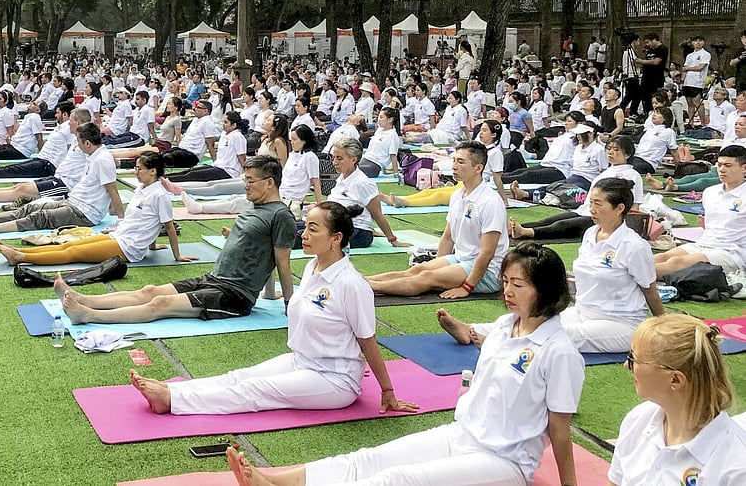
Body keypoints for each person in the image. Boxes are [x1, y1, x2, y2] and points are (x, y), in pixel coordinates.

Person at [229, 242, 584, 486]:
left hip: (505, 461)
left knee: (397, 480)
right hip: (461, 434)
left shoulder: (559, 351)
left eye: (518, 284)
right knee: (369, 459)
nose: (507, 291)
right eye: (505, 281)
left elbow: (560, 429)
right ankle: (275, 479)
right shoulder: (505, 326)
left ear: (545, 290)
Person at [128, 201, 419, 415]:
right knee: (240, 376)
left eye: (313, 229)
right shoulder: (311, 267)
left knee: (256, 391)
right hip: (302, 360)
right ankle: (173, 389)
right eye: (305, 226)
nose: (303, 234)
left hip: (334, 380)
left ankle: (172, 402)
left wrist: (387, 391)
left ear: (336, 239)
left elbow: (367, 339)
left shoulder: (352, 285)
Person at [55, 154, 296, 324]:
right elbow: (265, 255)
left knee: (159, 304)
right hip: (213, 279)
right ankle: (84, 299)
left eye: (250, 181)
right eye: (245, 180)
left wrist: (289, 304)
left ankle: (88, 315)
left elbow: (281, 261)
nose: (245, 186)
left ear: (270, 183)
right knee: (150, 290)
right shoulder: (254, 207)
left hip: (233, 296)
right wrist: (268, 292)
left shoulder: (280, 215)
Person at [500, 178, 663, 352]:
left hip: (620, 323)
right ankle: (472, 331)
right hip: (581, 312)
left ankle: (498, 343)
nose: (592, 209)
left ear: (619, 208)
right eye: (591, 202)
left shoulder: (634, 246)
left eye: (598, 204)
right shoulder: (590, 234)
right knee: (525, 319)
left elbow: (649, 289)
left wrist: (664, 327)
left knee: (555, 334)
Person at [608, 314, 746, 485]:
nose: (626, 366)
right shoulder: (638, 419)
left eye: (634, 360)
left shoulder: (736, 467)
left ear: (675, 380)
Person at [0, 152, 195, 266]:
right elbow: (145, 222)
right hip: (119, 235)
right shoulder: (142, 189)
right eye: (135, 168)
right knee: (69, 245)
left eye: (139, 169)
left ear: (153, 171)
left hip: (128, 248)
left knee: (72, 253)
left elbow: (168, 226)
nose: (136, 172)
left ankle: (21, 258)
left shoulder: (159, 195)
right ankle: (17, 251)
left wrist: (176, 256)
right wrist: (151, 246)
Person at [368, 141, 507, 298]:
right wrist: (438, 269)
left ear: (478, 168)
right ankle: (362, 281)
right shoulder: (457, 195)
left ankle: (365, 287)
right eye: (454, 160)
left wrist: (466, 287)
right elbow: (448, 237)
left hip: (487, 272)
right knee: (418, 270)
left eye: (460, 162)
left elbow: (487, 253)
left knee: (425, 278)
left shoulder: (490, 201)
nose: (454, 166)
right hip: (461, 259)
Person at [0, 122, 123, 235]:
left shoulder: (102, 159)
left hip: (85, 213)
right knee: (31, 208)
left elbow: (113, 191)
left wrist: (120, 221)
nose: (78, 145)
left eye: (79, 142)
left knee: (40, 217)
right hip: (74, 202)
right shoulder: (93, 155)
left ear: (87, 143)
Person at [511, 136, 643, 240]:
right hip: (586, 210)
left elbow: (634, 207)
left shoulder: (632, 175)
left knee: (563, 226)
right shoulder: (607, 172)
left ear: (627, 154)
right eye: (609, 149)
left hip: (605, 217)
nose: (611, 153)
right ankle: (514, 229)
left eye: (616, 150)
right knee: (551, 220)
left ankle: (524, 232)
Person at [0, 108, 92, 204]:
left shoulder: (86, 144)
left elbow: (95, 163)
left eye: (71, 121)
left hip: (62, 181)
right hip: (56, 175)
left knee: (21, 189)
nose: (69, 123)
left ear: (79, 123)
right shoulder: (76, 139)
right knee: (18, 186)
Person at [654, 145, 746, 278]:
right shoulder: (710, 192)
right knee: (664, 256)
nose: (722, 169)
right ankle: (621, 273)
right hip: (704, 243)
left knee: (677, 262)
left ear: (744, 168)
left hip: (731, 253)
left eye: (728, 166)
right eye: (719, 165)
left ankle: (623, 277)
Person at [319, 138, 409, 250]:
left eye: (339, 158)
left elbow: (377, 214)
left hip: (359, 233)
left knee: (310, 236)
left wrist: (393, 240)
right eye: (334, 158)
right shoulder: (342, 177)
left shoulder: (362, 183)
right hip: (336, 224)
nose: (334, 162)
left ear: (353, 160)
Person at [0, 103, 79, 179]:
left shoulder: (68, 128)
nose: (55, 115)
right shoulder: (62, 127)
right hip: (40, 159)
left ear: (65, 115)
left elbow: (42, 140)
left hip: (46, 164)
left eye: (58, 113)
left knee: (12, 169)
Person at [167, 111, 248, 182]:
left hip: (228, 171)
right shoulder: (224, 134)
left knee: (193, 176)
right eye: (223, 121)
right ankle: (162, 177)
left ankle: (164, 180)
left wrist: (246, 173)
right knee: (191, 171)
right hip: (218, 165)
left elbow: (242, 157)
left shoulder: (238, 137)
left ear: (234, 125)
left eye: (226, 122)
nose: (223, 124)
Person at [631, 106, 677, 174]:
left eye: (657, 113)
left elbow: (674, 151)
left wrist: (679, 167)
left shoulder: (669, 132)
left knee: (631, 169)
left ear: (665, 118)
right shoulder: (649, 130)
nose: (654, 115)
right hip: (636, 157)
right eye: (654, 113)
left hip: (648, 162)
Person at [357, 107, 401, 178]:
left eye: (381, 117)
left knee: (350, 170)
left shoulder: (393, 135)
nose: (379, 120)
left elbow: (393, 156)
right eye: (378, 117)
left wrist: (396, 174)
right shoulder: (379, 130)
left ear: (390, 120)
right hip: (365, 159)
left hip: (374, 166)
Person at [680, 35, 711, 127]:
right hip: (687, 81)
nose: (698, 43)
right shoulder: (689, 55)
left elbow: (701, 67)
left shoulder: (705, 54)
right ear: (692, 43)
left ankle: (702, 122)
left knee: (697, 102)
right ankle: (691, 122)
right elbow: (684, 69)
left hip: (697, 81)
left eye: (700, 41)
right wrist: (682, 81)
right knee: (689, 103)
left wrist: (688, 68)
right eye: (695, 41)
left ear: (703, 42)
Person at [636, 33, 668, 116]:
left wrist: (642, 61)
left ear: (654, 40)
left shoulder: (662, 49)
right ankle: (647, 115)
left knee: (654, 98)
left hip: (655, 78)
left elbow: (656, 61)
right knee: (645, 98)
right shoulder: (650, 49)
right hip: (646, 78)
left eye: (648, 42)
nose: (647, 44)